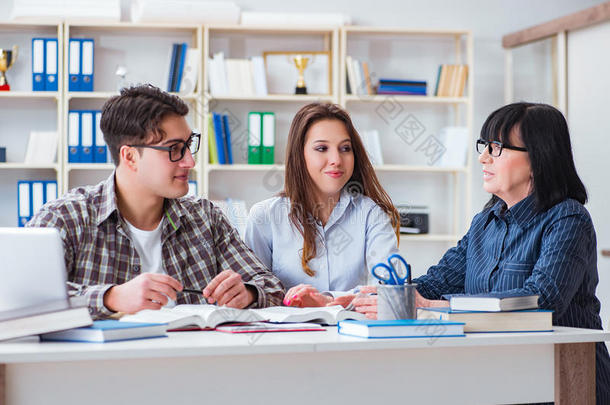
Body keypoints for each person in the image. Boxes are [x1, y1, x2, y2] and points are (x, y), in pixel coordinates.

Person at [349, 102, 610, 403]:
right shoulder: (485, 223)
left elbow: (541, 298)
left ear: (538, 158)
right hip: (502, 378)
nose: (483, 157)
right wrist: (376, 296)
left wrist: (435, 306)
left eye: (496, 147)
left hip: (567, 381)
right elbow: (438, 281)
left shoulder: (568, 218)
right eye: (483, 146)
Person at [28, 84, 284, 318]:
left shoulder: (206, 218)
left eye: (188, 145)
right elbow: (21, 297)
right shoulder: (65, 217)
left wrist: (247, 293)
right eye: (174, 149)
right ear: (130, 157)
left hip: (196, 363)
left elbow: (272, 287)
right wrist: (111, 297)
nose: (190, 162)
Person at [244, 102, 400, 307]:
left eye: (345, 148)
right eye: (321, 148)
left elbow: (389, 292)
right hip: (286, 336)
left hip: (354, 335)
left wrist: (325, 301)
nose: (336, 159)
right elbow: (255, 295)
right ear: (300, 155)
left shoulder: (371, 214)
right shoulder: (265, 216)